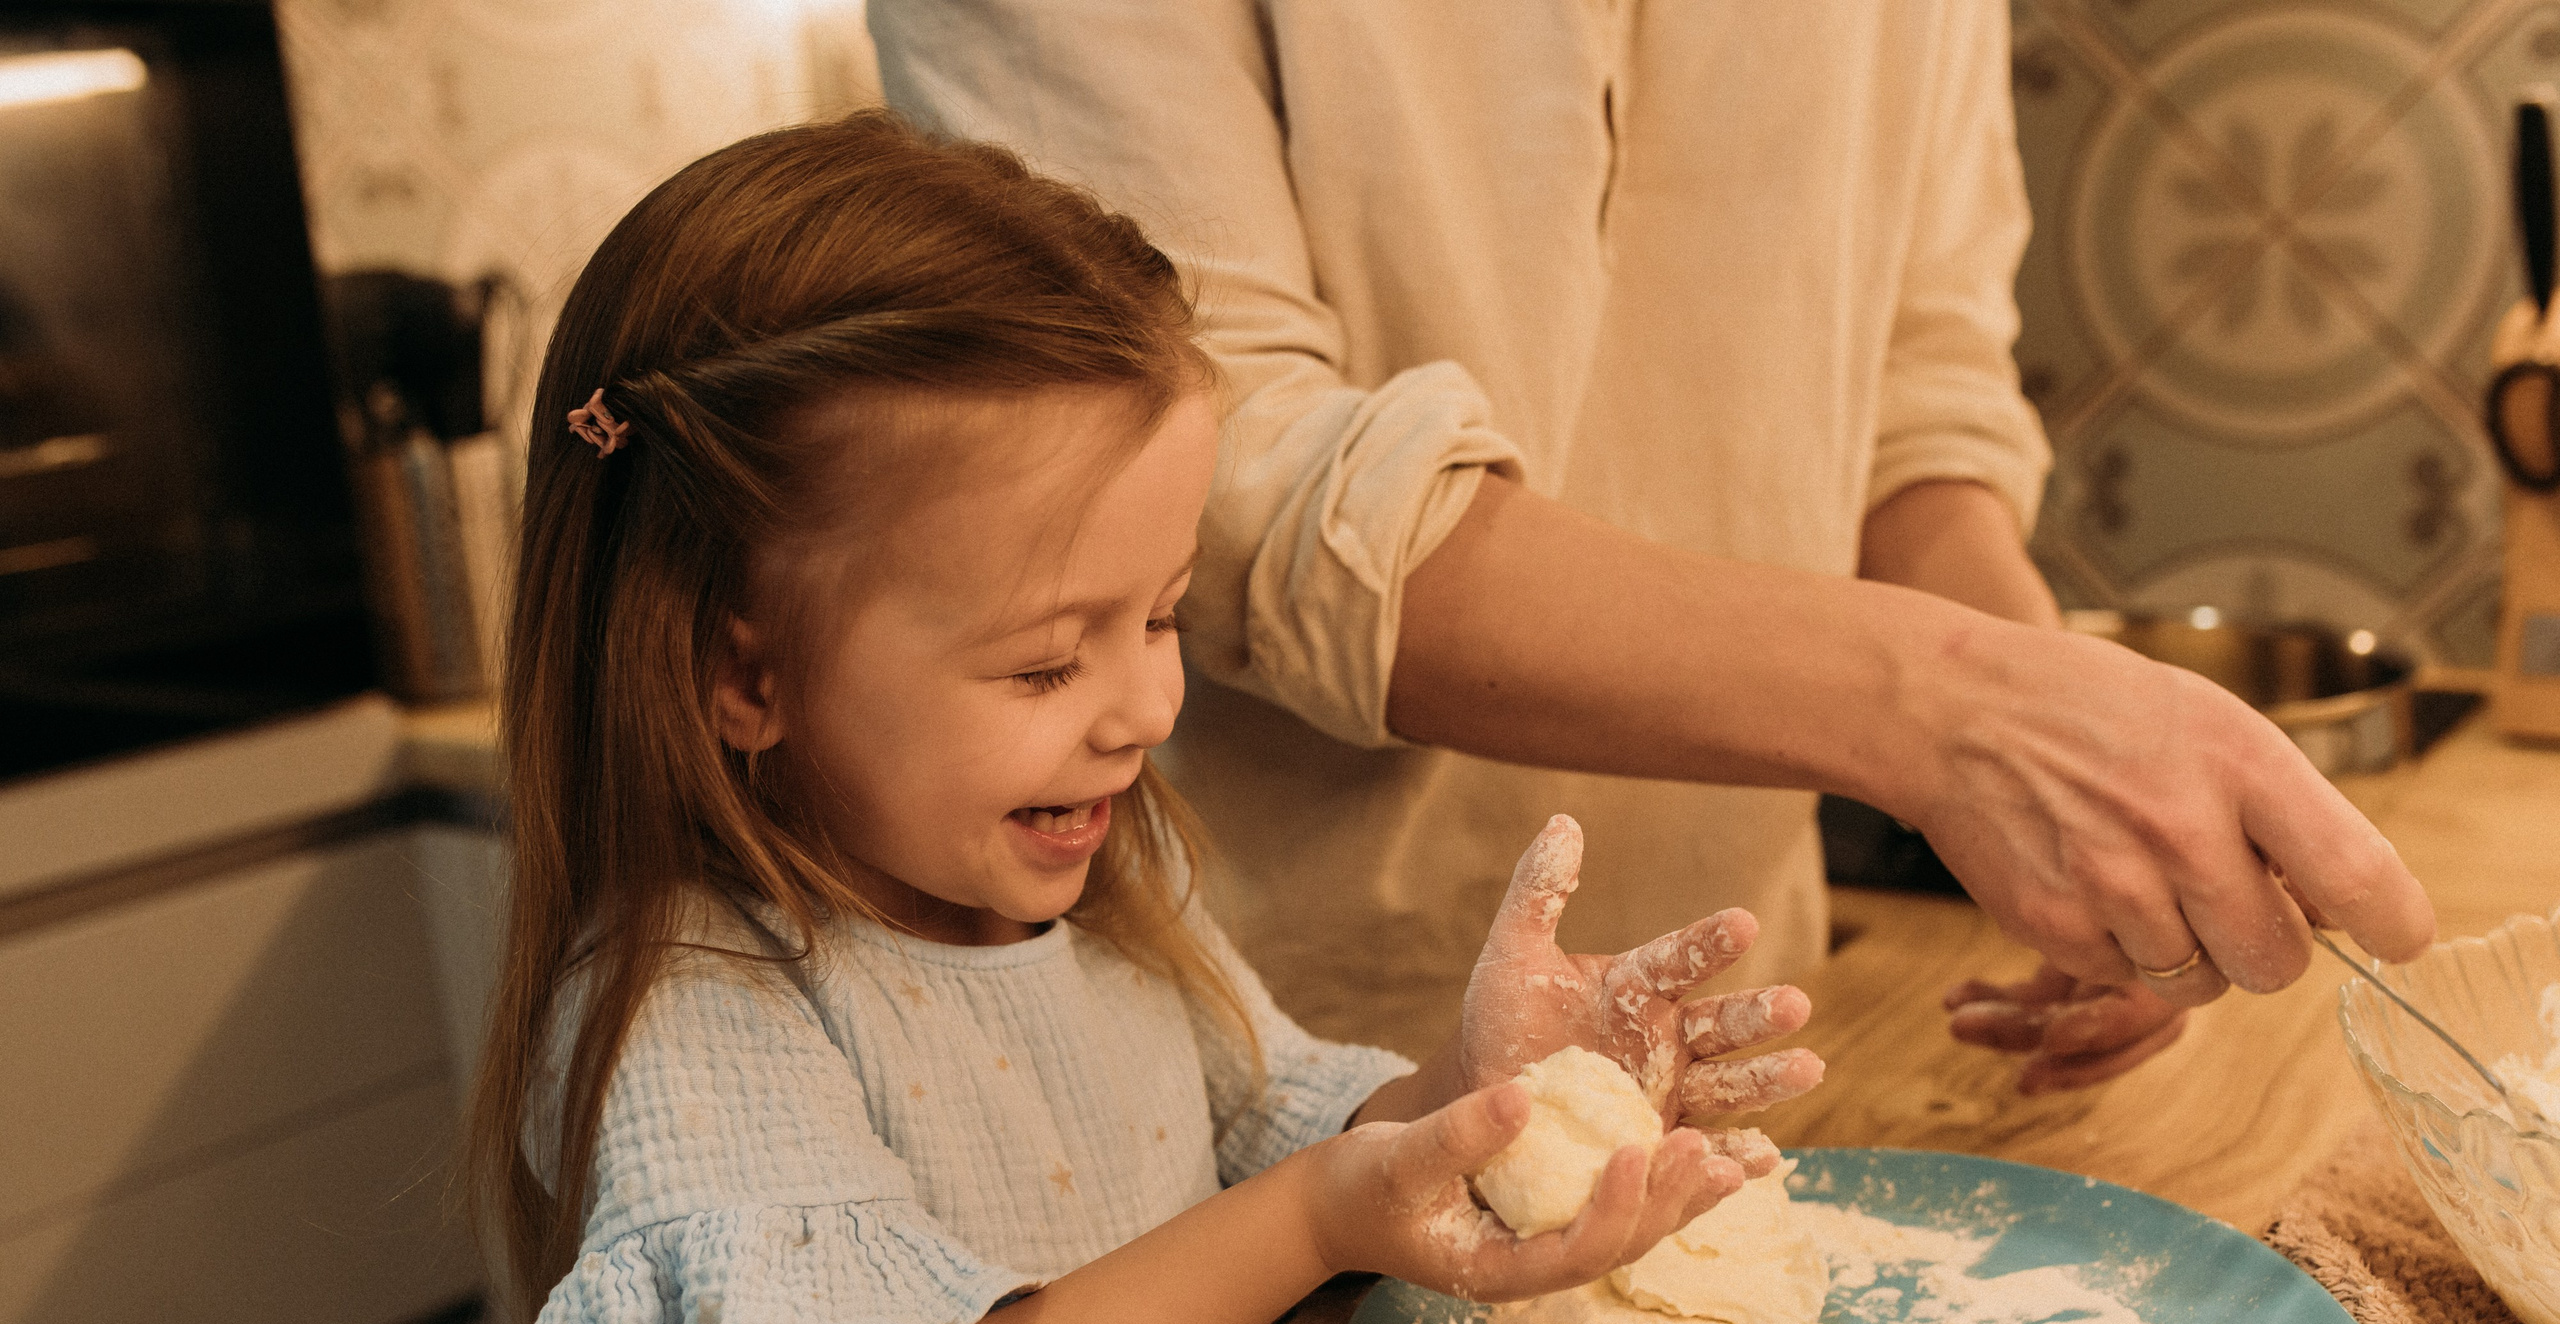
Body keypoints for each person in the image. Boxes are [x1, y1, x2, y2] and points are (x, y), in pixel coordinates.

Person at [464, 114, 1826, 1324]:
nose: (1142, 708)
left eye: (1163, 616)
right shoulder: (704, 1011)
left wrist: (1486, 1095)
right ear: (746, 671)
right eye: (1047, 660)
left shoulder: (1108, 890)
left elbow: (1292, 1134)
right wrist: (1321, 1218)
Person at [869, 2, 2437, 1087]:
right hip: (1234, 1047)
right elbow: (1215, 466)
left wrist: (2063, 783)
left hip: (1737, 1037)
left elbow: (1914, 382)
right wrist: (1966, 713)